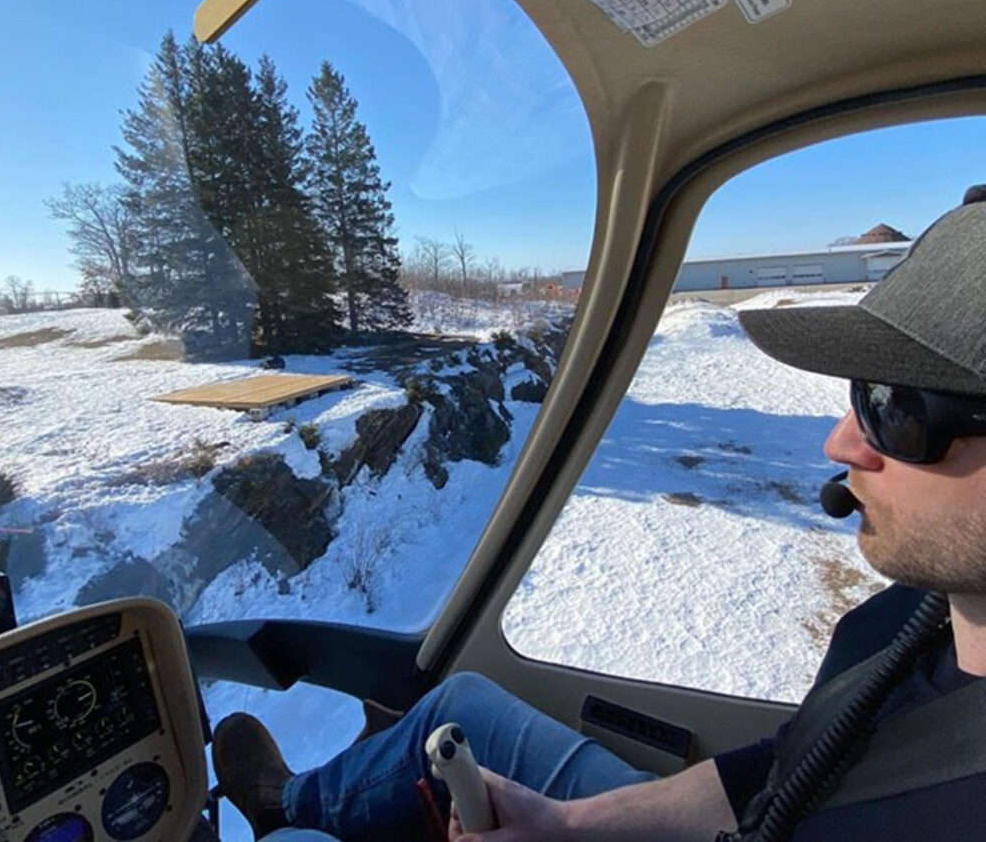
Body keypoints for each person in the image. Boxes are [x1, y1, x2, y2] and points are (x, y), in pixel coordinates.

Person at [213, 186, 986, 841]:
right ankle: (293, 796)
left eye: (894, 408)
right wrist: (567, 824)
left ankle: (289, 812)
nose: (840, 440)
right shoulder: (903, 621)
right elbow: (783, 764)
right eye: (856, 395)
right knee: (454, 708)